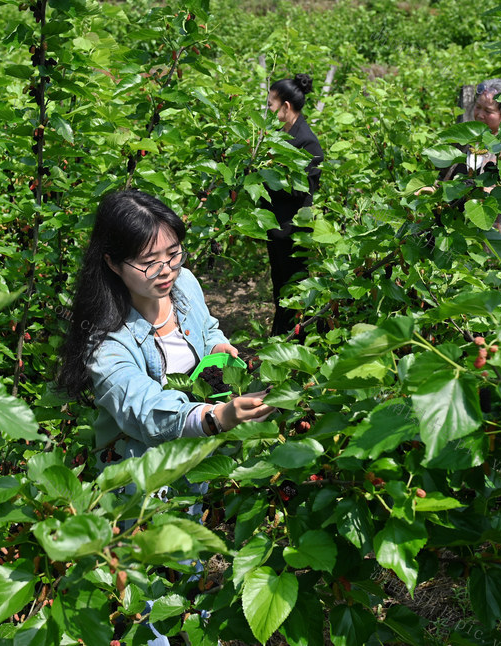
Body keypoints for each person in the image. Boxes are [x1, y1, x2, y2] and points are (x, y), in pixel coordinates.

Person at [57, 190, 274, 462]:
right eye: (149, 263)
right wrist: (219, 417)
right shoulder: (106, 344)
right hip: (146, 473)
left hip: (202, 453)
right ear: (112, 263)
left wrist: (216, 345)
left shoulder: (183, 284)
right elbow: (145, 411)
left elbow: (206, 327)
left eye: (173, 254)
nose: (166, 270)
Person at [419, 78, 501, 238]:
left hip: (500, 232)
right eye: (477, 107)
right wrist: (430, 190)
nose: (480, 115)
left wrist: (489, 190)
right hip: (456, 228)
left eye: (488, 111)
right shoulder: (464, 140)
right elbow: (444, 179)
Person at [263, 73, 324, 336]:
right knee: (279, 285)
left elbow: (300, 191)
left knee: (293, 287)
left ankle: (293, 338)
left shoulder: (307, 142)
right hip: (276, 227)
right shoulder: (281, 134)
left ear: (286, 107)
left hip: (292, 232)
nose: (267, 109)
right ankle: (283, 335)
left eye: (270, 104)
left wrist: (270, 171)